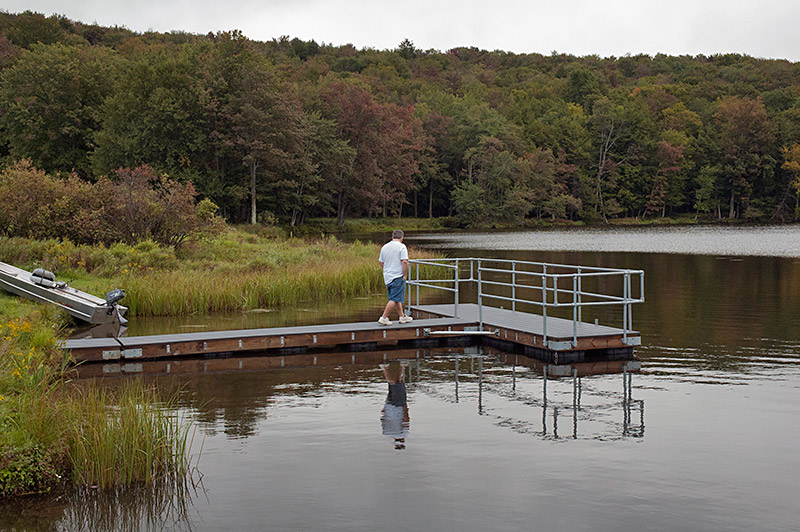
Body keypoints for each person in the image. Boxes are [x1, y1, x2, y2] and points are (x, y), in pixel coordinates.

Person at [378, 229, 413, 325]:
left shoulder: (385, 247)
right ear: (402, 238)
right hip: (397, 275)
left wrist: (387, 269)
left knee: (396, 297)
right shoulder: (401, 247)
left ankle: (402, 317)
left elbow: (381, 261)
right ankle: (384, 317)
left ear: (392, 236)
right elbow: (405, 262)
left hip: (387, 276)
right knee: (394, 299)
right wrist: (405, 274)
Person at [380, 362, 410, 450]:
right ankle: (402, 365)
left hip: (399, 407)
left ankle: (386, 367)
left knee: (395, 383)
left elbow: (406, 420)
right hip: (388, 407)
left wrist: (405, 407)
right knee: (396, 383)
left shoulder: (403, 434)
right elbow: (382, 419)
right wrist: (384, 410)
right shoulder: (386, 433)